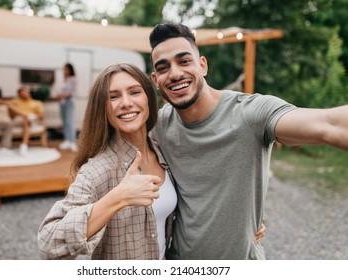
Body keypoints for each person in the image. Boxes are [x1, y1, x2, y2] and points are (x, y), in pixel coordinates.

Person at [148, 23, 348, 260]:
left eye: (184, 61)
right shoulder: (159, 126)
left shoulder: (249, 113)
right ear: (156, 79)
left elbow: (329, 124)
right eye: (163, 68)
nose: (175, 73)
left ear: (202, 65)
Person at [38, 63, 177, 260]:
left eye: (135, 92)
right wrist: (118, 197)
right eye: (113, 96)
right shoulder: (97, 169)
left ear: (148, 98)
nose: (126, 103)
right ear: (102, 107)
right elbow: (48, 244)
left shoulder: (162, 151)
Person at [8, 86, 44, 155]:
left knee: (26, 120)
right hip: (17, 120)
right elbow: (10, 110)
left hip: (32, 120)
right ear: (19, 94)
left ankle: (24, 144)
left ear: (29, 93)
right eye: (22, 94)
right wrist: (23, 114)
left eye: (26, 93)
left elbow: (40, 115)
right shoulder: (15, 101)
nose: (24, 95)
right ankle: (23, 145)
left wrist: (33, 117)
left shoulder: (37, 103)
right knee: (23, 117)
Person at [56, 63, 77, 152]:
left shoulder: (73, 79)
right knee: (64, 122)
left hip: (69, 102)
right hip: (62, 103)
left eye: (66, 69)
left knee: (69, 122)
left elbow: (72, 92)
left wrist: (62, 96)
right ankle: (67, 140)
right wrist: (59, 97)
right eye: (63, 69)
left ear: (70, 70)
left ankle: (72, 142)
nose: (64, 71)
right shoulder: (64, 80)